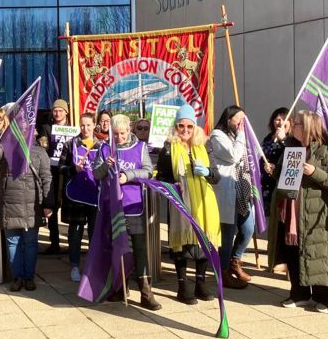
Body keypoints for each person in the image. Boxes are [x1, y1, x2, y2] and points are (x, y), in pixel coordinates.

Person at [267, 111, 328, 313]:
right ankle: (299, 293)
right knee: (293, 252)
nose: (292, 125)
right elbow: (283, 175)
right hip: (292, 210)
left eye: (297, 123)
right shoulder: (291, 146)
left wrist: (314, 172)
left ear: (310, 126)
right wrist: (274, 169)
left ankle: (325, 298)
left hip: (317, 212)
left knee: (319, 253)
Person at [93, 114, 160, 310]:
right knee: (117, 248)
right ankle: (120, 287)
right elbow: (96, 173)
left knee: (139, 248)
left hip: (133, 205)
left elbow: (148, 171)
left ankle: (146, 292)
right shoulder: (105, 148)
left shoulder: (139, 147)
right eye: (116, 134)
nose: (120, 137)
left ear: (129, 131)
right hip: (112, 207)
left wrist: (128, 175)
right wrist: (107, 165)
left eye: (122, 133)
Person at [156, 104, 220, 304]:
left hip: (204, 203)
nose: (185, 131)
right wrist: (171, 184)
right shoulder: (167, 148)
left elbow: (216, 176)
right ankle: (183, 287)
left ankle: (200, 284)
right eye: (181, 126)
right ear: (175, 127)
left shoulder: (204, 146)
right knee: (181, 245)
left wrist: (208, 172)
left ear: (195, 127)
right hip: (180, 202)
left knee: (203, 244)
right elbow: (161, 177)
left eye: (189, 127)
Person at [0, 112, 53, 291]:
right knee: (13, 243)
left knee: (30, 243)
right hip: (9, 203)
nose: (21, 131)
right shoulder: (6, 147)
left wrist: (48, 203)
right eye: (17, 128)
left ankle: (29, 277)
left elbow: (46, 178)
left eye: (24, 128)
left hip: (32, 204)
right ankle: (18, 277)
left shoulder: (39, 151)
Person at [209, 105, 253, 288]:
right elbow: (234, 156)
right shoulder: (217, 136)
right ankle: (224, 271)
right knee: (228, 233)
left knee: (248, 228)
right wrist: (242, 135)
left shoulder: (238, 136)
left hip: (242, 189)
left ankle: (235, 260)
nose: (242, 123)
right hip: (227, 190)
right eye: (239, 119)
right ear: (229, 120)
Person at [61, 112, 100, 282]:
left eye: (88, 125)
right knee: (75, 233)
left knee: (94, 233)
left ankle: (92, 267)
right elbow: (61, 167)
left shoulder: (102, 146)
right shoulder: (71, 145)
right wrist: (72, 168)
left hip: (95, 196)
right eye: (82, 125)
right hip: (76, 197)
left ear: (94, 125)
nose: (85, 129)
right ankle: (75, 266)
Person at [41, 99, 72, 255]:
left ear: (66, 112)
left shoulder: (73, 130)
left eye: (60, 110)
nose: (57, 113)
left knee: (69, 206)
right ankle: (54, 242)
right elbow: (43, 147)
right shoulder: (47, 128)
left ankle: (72, 242)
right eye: (55, 110)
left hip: (67, 171)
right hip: (51, 171)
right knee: (51, 206)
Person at [260, 107, 290, 213]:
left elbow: (294, 155)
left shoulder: (292, 139)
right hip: (264, 184)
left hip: (280, 184)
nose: (280, 122)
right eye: (277, 119)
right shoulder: (268, 138)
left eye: (284, 119)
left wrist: (283, 139)